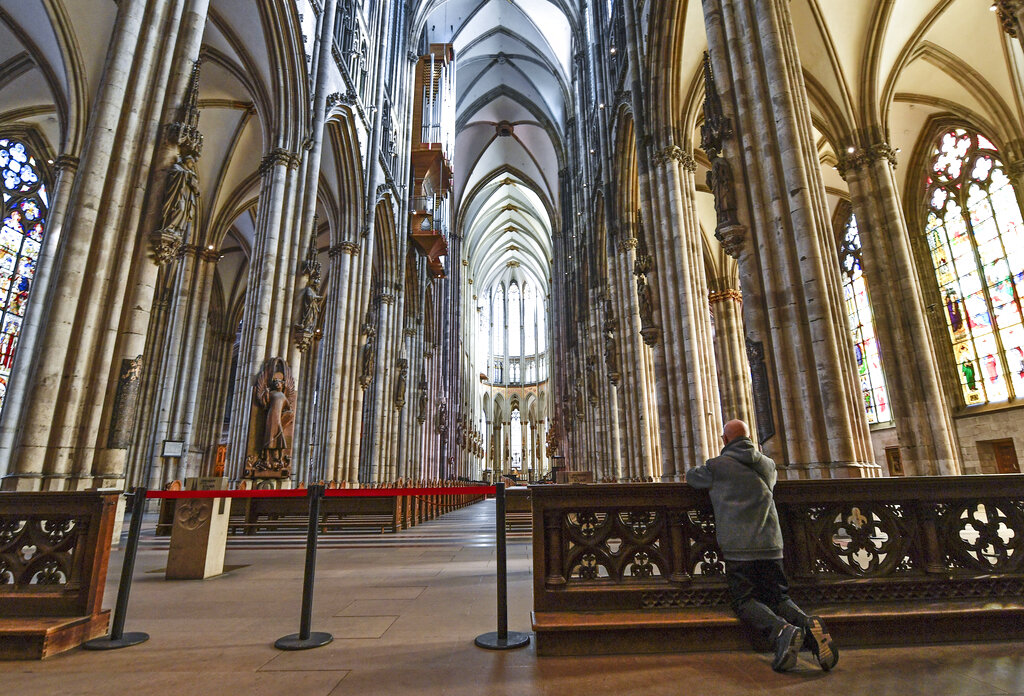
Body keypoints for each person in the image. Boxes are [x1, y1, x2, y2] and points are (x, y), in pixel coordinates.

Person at [685, 419, 838, 672]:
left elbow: (693, 478)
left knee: (744, 600)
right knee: (779, 597)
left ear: (724, 440)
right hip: (771, 544)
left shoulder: (717, 465)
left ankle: (782, 631)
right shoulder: (767, 464)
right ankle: (808, 624)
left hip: (740, 547)